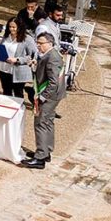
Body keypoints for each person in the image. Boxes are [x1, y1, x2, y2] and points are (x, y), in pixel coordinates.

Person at [22, 33, 66, 169]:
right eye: (37, 43)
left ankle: (40, 157)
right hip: (53, 95)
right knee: (48, 123)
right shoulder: (48, 54)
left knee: (40, 123)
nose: (38, 46)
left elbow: (53, 82)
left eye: (41, 43)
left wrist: (42, 97)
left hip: (49, 96)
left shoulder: (52, 57)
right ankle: (46, 151)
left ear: (50, 43)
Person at [0, 18, 37, 100]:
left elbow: (33, 56)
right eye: (10, 27)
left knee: (18, 93)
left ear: (19, 27)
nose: (11, 29)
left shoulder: (27, 39)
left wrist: (17, 60)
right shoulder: (5, 37)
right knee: (6, 91)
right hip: (4, 69)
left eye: (14, 27)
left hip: (18, 72)